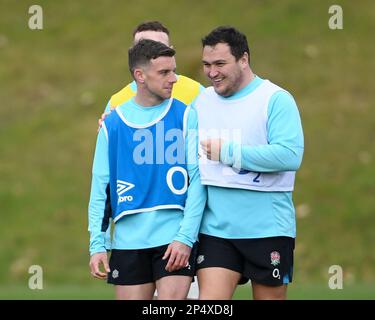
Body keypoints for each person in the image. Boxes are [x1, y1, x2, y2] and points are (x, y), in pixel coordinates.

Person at [88, 39, 205, 299]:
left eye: (173, 70)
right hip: (128, 242)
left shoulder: (186, 116)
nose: (174, 78)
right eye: (164, 72)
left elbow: (198, 181)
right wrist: (98, 244)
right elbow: (100, 187)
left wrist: (185, 237)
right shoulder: (113, 124)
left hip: (174, 239)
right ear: (140, 75)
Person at [194, 26, 304, 300]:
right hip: (216, 230)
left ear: (243, 59)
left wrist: (229, 153)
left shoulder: (275, 100)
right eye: (207, 64)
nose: (212, 72)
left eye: (220, 63)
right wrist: (113, 119)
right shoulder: (201, 101)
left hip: (267, 229)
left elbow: (290, 155)